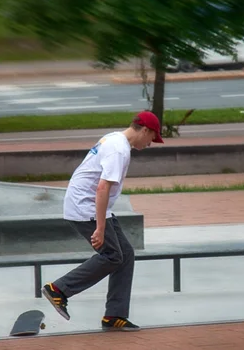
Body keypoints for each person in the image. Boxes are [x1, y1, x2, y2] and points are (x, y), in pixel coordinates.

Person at [42, 110, 164, 332]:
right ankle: (59, 289)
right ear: (145, 130)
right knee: (112, 255)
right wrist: (99, 227)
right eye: (152, 138)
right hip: (85, 206)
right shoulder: (119, 150)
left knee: (125, 254)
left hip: (90, 204)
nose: (150, 143)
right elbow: (102, 187)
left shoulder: (115, 138)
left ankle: (115, 315)